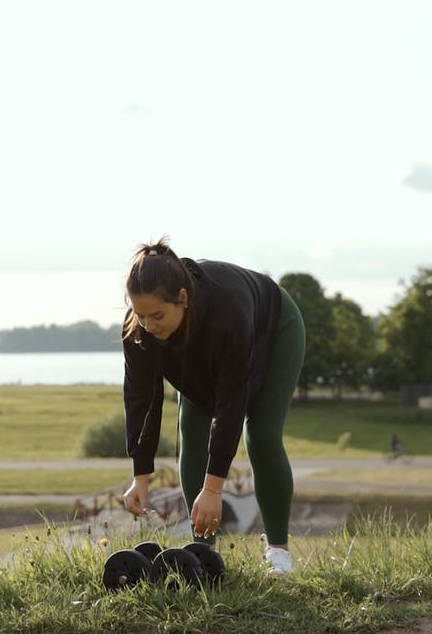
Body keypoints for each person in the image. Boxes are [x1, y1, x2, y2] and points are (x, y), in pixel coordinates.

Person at [122, 237, 306, 576]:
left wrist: (213, 488)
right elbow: (141, 398)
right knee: (192, 431)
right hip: (200, 352)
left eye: (157, 315)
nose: (149, 326)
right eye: (140, 314)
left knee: (262, 436)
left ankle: (278, 552)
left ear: (183, 298)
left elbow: (232, 402)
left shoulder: (227, 313)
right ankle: (201, 556)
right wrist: (141, 475)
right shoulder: (141, 329)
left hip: (274, 329)